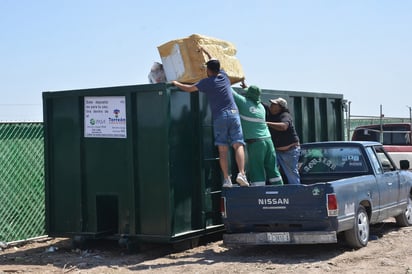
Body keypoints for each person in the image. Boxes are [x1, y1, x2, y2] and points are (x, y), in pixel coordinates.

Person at [171, 55, 249, 188]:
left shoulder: (206, 82)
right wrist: (205, 51)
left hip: (221, 117)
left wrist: (175, 83)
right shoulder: (224, 76)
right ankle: (242, 174)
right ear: (219, 68)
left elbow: (189, 89)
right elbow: (213, 57)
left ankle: (227, 179)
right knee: (238, 144)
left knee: (223, 149)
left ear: (208, 70)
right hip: (234, 114)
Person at [232, 83, 283, 186]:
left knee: (257, 169)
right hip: (268, 141)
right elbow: (254, 94)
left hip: (256, 143)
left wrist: (221, 75)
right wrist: (246, 88)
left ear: (248, 94)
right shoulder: (261, 107)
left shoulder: (243, 102)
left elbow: (230, 91)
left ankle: (258, 194)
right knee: (272, 169)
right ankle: (280, 190)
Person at [264, 98, 301, 184]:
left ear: (280, 107)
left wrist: (266, 123)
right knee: (270, 170)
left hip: (290, 151)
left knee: (291, 174)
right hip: (276, 151)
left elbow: (283, 126)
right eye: (271, 104)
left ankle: (296, 193)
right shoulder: (269, 112)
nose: (271, 106)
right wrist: (246, 88)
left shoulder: (285, 115)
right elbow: (258, 102)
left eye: (274, 104)